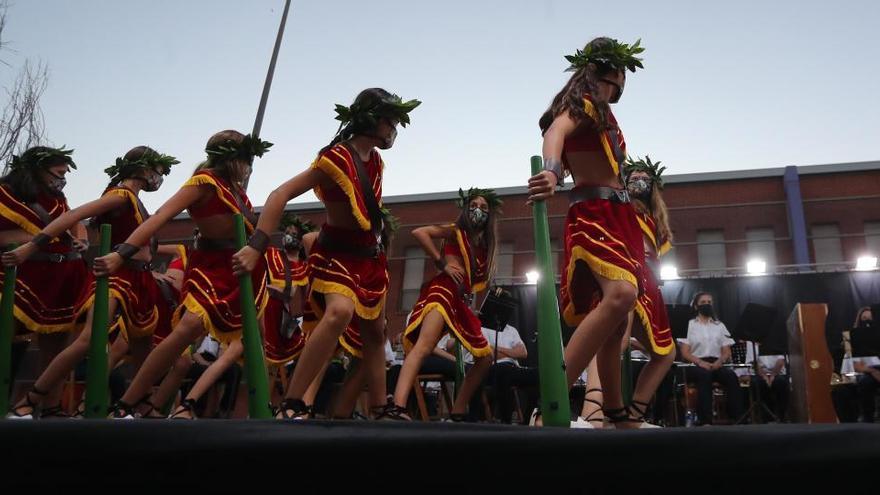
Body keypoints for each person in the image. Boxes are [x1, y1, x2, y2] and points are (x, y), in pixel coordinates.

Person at [232, 89, 419, 419]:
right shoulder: (335, 158)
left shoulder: (375, 161)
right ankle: (291, 402)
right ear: (370, 119)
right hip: (337, 255)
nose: (394, 128)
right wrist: (255, 245)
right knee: (339, 312)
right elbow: (280, 194)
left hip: (369, 258)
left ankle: (379, 407)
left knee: (375, 335)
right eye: (391, 120)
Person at [94, 130, 272, 418]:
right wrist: (120, 253)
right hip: (211, 268)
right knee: (187, 328)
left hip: (241, 269)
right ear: (234, 159)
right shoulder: (203, 183)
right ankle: (127, 403)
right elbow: (161, 217)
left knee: (258, 336)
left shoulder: (236, 190)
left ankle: (264, 409)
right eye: (247, 159)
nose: (249, 166)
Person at [526, 37, 649, 428]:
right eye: (621, 73)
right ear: (610, 72)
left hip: (620, 217)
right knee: (621, 295)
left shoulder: (604, 115)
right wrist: (550, 170)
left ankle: (614, 412)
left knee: (618, 321)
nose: (623, 82)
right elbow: (555, 132)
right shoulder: (583, 106)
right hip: (594, 213)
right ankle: (550, 406)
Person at [4, 146, 177, 419]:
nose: (159, 177)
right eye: (158, 171)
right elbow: (72, 216)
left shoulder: (134, 199)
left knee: (144, 348)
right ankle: (28, 401)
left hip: (141, 278)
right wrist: (29, 248)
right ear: (143, 169)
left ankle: (142, 404)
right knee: (88, 340)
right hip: (120, 276)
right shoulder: (120, 195)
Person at [0, 146, 92, 418]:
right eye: (59, 172)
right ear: (37, 168)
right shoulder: (6, 194)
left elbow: (75, 221)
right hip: (22, 277)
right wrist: (37, 239)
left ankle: (51, 406)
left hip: (63, 279)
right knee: (5, 339)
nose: (63, 178)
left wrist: (81, 239)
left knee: (56, 347)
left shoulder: (58, 198)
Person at [677, 292, 744, 425]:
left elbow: (726, 350)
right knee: (704, 375)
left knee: (731, 376)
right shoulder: (689, 325)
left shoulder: (720, 325)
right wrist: (701, 363)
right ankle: (705, 420)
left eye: (709, 302)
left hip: (716, 363)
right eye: (703, 302)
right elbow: (685, 353)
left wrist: (720, 361)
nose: (707, 305)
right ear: (696, 306)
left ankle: (737, 418)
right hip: (695, 364)